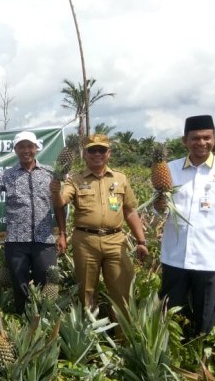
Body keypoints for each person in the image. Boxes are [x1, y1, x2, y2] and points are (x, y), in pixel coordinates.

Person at [156, 115, 215, 336]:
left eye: (206, 138)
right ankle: (171, 359)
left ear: (214, 138)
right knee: (170, 315)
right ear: (185, 141)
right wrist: (159, 205)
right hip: (175, 257)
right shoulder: (169, 170)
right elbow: (159, 209)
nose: (201, 143)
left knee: (206, 317)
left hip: (211, 258)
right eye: (195, 138)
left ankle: (198, 360)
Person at [50, 133, 148, 314]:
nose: (97, 154)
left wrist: (141, 241)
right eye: (92, 150)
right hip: (86, 241)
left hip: (116, 240)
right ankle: (90, 336)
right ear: (84, 154)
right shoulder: (75, 179)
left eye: (101, 150)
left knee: (122, 291)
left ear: (108, 153)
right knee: (86, 293)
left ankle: (122, 337)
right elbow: (60, 203)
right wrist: (55, 191)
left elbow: (130, 211)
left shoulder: (120, 178)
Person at [0, 131, 66, 314]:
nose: (26, 150)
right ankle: (24, 321)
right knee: (20, 284)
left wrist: (63, 234)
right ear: (15, 150)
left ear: (36, 149)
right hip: (17, 240)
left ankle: (46, 320)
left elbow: (58, 206)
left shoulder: (50, 173)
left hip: (44, 239)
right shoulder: (7, 175)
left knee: (47, 281)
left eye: (30, 146)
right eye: (21, 147)